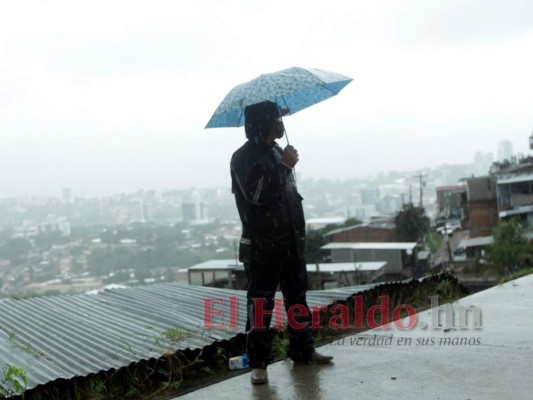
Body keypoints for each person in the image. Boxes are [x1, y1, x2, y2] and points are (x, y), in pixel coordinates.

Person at [230, 100, 333, 385]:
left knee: (297, 297)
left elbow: (289, 196)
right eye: (275, 117)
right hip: (263, 245)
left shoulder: (277, 151)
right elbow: (257, 196)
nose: (280, 122)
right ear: (262, 121)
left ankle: (303, 349)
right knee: (261, 304)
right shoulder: (242, 157)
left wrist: (285, 163)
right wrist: (284, 167)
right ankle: (259, 364)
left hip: (290, 241)